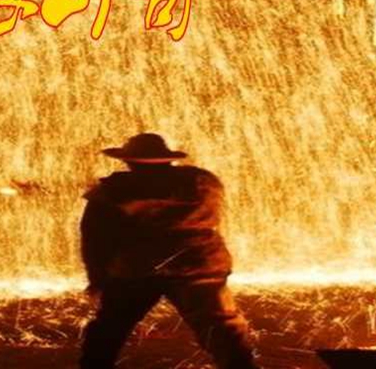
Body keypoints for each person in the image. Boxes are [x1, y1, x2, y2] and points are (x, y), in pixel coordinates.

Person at [79, 133, 259, 369]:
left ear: (128, 161)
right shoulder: (203, 182)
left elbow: (94, 237)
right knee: (223, 331)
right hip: (199, 265)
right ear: (168, 159)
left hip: (138, 269)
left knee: (109, 330)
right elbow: (213, 218)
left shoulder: (112, 191)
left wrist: (97, 276)